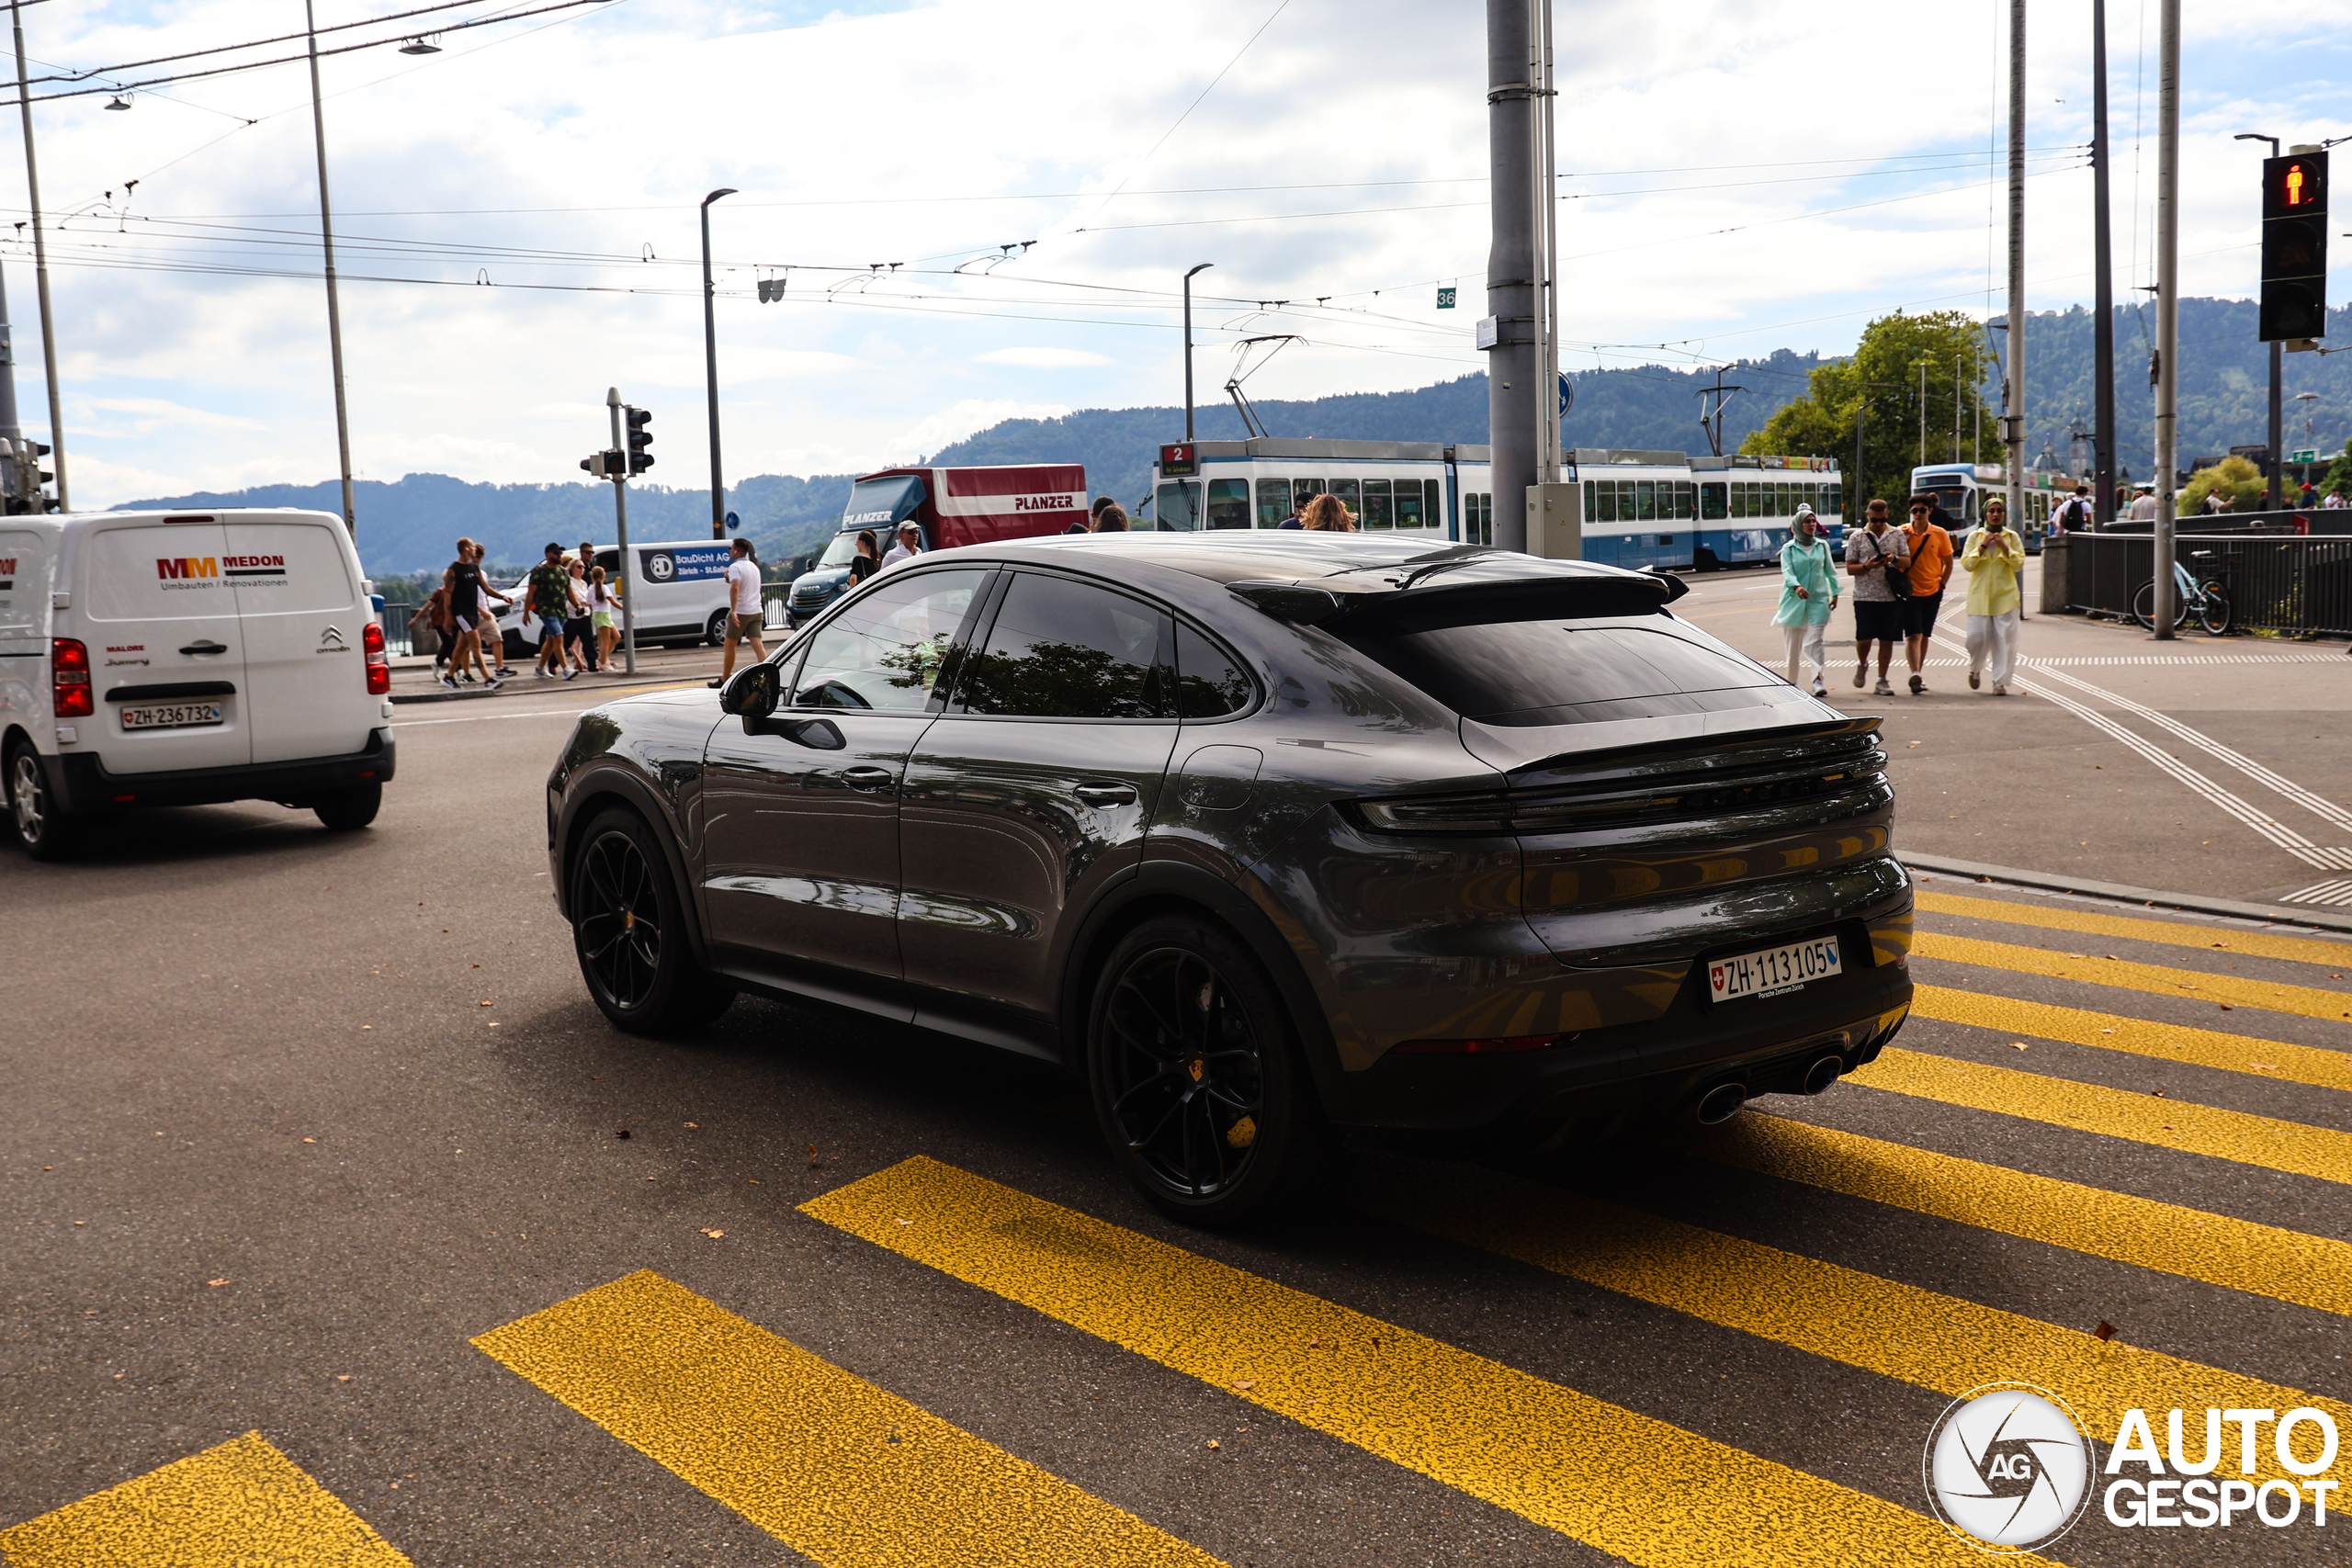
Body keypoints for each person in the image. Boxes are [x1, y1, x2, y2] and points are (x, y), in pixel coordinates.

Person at [1843, 498, 1910, 696]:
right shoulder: (1857, 537)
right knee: (1864, 638)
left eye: (1881, 520)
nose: (1878, 524)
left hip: (1890, 596)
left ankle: (1882, 679)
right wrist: (1867, 566)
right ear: (1867, 516)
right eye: (1874, 520)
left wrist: (1893, 559)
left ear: (1887, 515)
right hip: (1864, 596)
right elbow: (1849, 568)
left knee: (1887, 639)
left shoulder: (1896, 534)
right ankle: (1863, 664)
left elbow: (1907, 562)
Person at [1962, 498, 2027, 695]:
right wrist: (1983, 546)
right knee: (1976, 638)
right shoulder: (1975, 536)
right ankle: (1975, 669)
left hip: (2005, 596)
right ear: (1985, 514)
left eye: (1999, 511)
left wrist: (2004, 547)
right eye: (1992, 511)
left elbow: (2018, 564)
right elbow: (1967, 564)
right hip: (1979, 596)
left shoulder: (2011, 536)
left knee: (2004, 641)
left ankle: (1999, 681)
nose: (1996, 514)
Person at [1774, 505, 1838, 697]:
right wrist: (1796, 586)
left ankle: (1817, 681)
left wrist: (1835, 592)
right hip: (1794, 602)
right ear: (1798, 525)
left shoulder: (1821, 546)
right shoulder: (1789, 549)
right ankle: (1790, 683)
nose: (1811, 525)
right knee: (1793, 648)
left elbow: (1830, 571)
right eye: (1807, 522)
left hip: (1818, 601)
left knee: (1814, 641)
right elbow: (1787, 571)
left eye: (1813, 521)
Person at [1899, 496, 1954, 695]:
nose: (1919, 514)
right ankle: (1914, 673)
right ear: (1910, 512)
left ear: (1930, 511)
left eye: (1922, 510)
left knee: (1924, 635)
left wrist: (1942, 584)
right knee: (1913, 634)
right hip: (1909, 591)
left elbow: (1948, 561)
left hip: (1932, 590)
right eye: (1915, 510)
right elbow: (1893, 560)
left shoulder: (1939, 533)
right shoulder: (1901, 532)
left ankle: (1918, 673)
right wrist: (1903, 543)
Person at [441, 536, 509, 691]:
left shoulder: (474, 568)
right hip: (461, 613)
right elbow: (447, 595)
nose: (474, 550)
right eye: (472, 547)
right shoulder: (454, 570)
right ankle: (487, 679)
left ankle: (449, 676)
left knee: (461, 647)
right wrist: (448, 617)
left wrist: (502, 597)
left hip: (472, 612)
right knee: (476, 643)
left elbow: (485, 588)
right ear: (466, 549)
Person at [710, 536, 767, 688]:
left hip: (741, 611)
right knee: (758, 645)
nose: (729, 551)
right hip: (756, 611)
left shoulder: (735, 567)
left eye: (730, 548)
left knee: (729, 646)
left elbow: (735, 588)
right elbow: (749, 586)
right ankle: (767, 676)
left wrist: (734, 610)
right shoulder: (753, 567)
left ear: (736, 550)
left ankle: (724, 678)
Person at [525, 543, 579, 681]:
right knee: (558, 637)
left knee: (550, 641)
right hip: (546, 610)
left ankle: (540, 669)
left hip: (561, 610)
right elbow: (530, 593)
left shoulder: (563, 571)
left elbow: (569, 591)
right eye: (556, 553)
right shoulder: (539, 571)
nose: (558, 555)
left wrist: (577, 605)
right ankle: (566, 669)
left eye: (560, 553)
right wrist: (526, 613)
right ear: (547, 554)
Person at [562, 555, 598, 673]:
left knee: (588, 640)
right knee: (567, 640)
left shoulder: (584, 583)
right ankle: (553, 662)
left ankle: (592, 664)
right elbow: (576, 596)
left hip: (585, 614)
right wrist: (585, 603)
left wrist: (588, 604)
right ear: (572, 569)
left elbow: (587, 597)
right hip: (574, 614)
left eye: (583, 567)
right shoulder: (570, 582)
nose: (581, 569)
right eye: (579, 567)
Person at [588, 564, 624, 671]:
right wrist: (625, 609)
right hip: (602, 614)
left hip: (601, 614)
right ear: (604, 576)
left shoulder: (591, 588)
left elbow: (588, 603)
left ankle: (602, 657)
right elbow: (613, 602)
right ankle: (603, 662)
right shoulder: (604, 588)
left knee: (616, 636)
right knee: (606, 640)